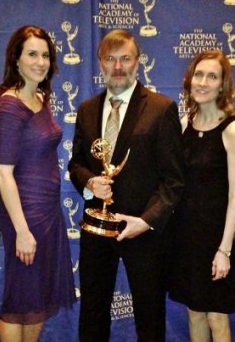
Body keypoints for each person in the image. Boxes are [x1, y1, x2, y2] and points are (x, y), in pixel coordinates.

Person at [68, 29, 185, 342]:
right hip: (96, 228)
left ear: (138, 62)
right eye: (110, 59)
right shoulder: (87, 109)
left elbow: (173, 179)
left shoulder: (161, 108)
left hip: (142, 231)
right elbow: (75, 164)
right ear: (101, 64)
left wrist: (146, 221)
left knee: (149, 317)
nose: (117, 66)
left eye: (125, 59)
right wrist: (90, 183)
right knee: (92, 313)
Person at [0, 25, 76, 341]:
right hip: (24, 214)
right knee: (19, 298)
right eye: (32, 54)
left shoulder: (39, 97)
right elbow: (3, 173)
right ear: (16, 59)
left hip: (48, 212)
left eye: (45, 55)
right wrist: (23, 231)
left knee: (36, 296)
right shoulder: (10, 105)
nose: (40, 62)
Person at [167, 50, 235, 342]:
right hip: (185, 237)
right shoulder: (186, 123)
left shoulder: (232, 129)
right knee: (194, 311)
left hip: (214, 239)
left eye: (212, 76)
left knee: (216, 317)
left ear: (223, 84)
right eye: (198, 75)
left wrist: (224, 249)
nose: (203, 82)